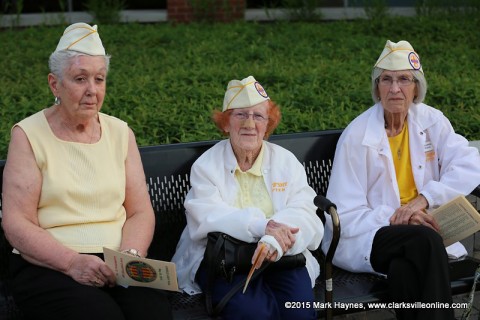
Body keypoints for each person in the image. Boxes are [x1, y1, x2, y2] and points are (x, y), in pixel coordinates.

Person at [1, 23, 172, 320]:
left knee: (153, 314)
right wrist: (71, 262)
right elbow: (17, 221)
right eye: (80, 79)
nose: (92, 90)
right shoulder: (28, 134)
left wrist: (130, 258)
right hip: (50, 263)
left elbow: (139, 212)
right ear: (55, 84)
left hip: (118, 262)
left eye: (99, 79)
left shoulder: (121, 133)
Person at [322, 39, 480, 320]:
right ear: (377, 87)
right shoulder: (357, 136)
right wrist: (399, 217)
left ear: (416, 87)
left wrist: (425, 200)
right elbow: (345, 215)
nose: (395, 88)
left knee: (404, 270)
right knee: (425, 240)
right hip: (368, 236)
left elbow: (470, 162)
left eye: (404, 79)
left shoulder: (432, 120)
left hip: (416, 240)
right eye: (387, 80)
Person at [172, 76, 323, 319]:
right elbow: (208, 216)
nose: (250, 123)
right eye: (240, 115)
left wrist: (277, 239)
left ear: (268, 125)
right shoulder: (206, 166)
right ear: (225, 123)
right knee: (254, 314)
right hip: (225, 261)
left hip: (280, 256)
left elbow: (304, 209)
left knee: (299, 314)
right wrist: (263, 226)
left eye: (258, 116)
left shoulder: (286, 162)